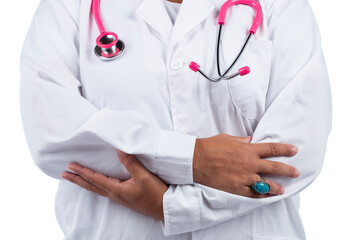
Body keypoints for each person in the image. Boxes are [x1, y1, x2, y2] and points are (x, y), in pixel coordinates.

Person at [20, 0, 332, 239]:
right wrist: (196, 159)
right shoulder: (67, 7)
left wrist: (171, 207)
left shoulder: (282, 5)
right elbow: (53, 135)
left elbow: (296, 152)